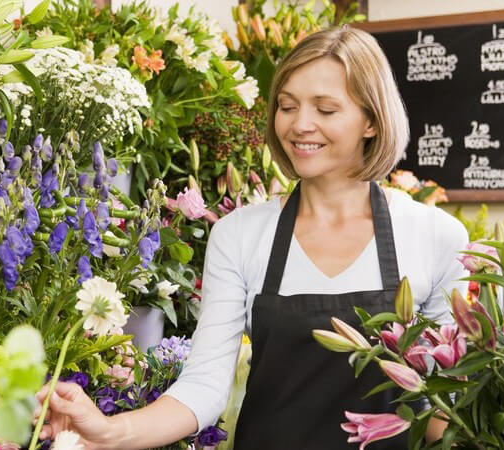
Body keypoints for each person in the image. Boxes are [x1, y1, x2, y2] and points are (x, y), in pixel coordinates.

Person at [34, 26, 469, 449]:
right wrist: (107, 431)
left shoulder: (435, 236)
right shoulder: (239, 235)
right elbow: (204, 387)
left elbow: (442, 404)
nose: (301, 125)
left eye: (325, 109)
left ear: (371, 121)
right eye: (287, 105)